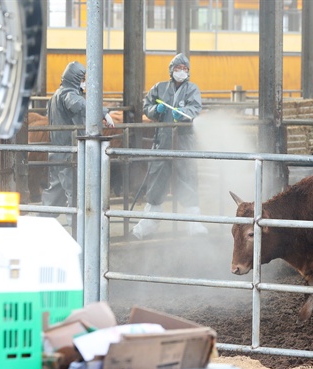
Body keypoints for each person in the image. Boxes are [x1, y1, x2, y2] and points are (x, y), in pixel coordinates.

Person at [130, 53, 208, 239]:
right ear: (171, 70)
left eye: (185, 69)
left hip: (183, 142)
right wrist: (155, 110)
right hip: (162, 141)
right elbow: (147, 106)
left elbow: (195, 108)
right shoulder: (160, 88)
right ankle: (147, 225)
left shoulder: (192, 89)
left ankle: (193, 225)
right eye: (178, 68)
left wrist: (184, 112)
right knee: (157, 179)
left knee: (187, 177)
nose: (181, 71)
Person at [41, 61, 115, 223]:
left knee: (56, 191)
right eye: (82, 78)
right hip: (70, 151)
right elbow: (80, 105)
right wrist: (104, 113)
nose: (84, 81)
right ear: (74, 78)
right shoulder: (69, 94)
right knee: (74, 192)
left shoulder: (56, 95)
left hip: (57, 150)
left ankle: (42, 224)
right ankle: (76, 232)